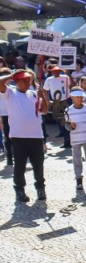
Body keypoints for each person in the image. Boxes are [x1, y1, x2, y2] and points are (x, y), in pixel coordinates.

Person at [1, 70, 49, 202]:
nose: (28, 83)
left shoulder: (33, 94)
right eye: (24, 80)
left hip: (36, 136)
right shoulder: (10, 93)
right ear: (16, 81)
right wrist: (11, 76)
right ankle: (20, 190)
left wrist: (42, 96)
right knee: (20, 165)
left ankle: (40, 188)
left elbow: (44, 110)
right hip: (18, 136)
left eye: (29, 80)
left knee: (38, 164)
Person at [65, 87, 86, 190]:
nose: (80, 99)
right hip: (75, 139)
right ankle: (79, 181)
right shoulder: (68, 110)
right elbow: (67, 125)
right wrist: (71, 127)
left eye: (81, 97)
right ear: (72, 97)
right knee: (77, 160)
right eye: (77, 97)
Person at [43, 65, 73, 148]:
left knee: (69, 119)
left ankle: (70, 139)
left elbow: (71, 85)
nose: (56, 72)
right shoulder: (49, 79)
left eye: (57, 71)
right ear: (52, 72)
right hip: (56, 102)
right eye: (54, 71)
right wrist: (47, 101)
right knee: (60, 121)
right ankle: (66, 140)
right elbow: (45, 91)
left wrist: (68, 73)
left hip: (66, 100)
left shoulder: (65, 77)